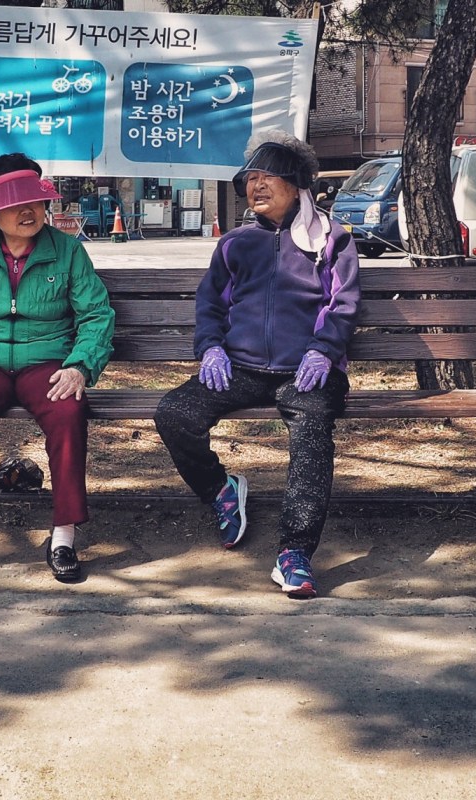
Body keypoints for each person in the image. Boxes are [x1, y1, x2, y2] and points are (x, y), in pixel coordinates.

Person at [153, 130, 362, 599]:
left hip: (308, 370)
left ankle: (295, 552)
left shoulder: (332, 239)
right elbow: (210, 304)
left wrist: (323, 350)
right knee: (174, 413)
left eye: (268, 176)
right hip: (241, 369)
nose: (257, 185)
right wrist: (211, 347)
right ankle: (220, 490)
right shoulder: (236, 243)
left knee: (311, 432)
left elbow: (343, 304)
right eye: (251, 178)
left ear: (297, 184)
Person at [0, 153, 115, 584]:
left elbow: (96, 316)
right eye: (15, 204)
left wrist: (80, 367)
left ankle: (63, 538)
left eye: (35, 202)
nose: (28, 212)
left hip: (46, 363)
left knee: (68, 413)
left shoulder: (68, 251)